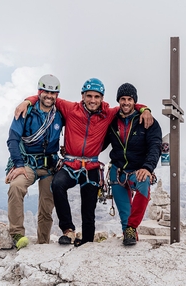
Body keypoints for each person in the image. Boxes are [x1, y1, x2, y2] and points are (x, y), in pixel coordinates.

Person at [15, 78, 153, 247]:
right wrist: (28, 101)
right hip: (70, 164)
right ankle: (68, 230)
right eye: (89, 96)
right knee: (57, 185)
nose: (93, 100)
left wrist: (145, 109)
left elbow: (127, 105)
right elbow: (49, 97)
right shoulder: (70, 108)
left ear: (102, 98)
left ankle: (87, 240)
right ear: (83, 96)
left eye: (96, 96)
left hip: (91, 166)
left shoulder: (109, 113)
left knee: (89, 209)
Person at [5, 74, 63, 250]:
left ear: (57, 95)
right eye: (46, 92)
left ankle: (43, 242)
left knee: (47, 205)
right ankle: (17, 234)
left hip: (49, 165)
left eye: (53, 93)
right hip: (27, 163)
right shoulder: (26, 111)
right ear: (39, 92)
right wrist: (18, 165)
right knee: (16, 187)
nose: (49, 96)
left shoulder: (60, 114)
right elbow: (13, 139)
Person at [103, 83, 162, 246]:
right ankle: (129, 236)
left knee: (143, 186)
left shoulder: (147, 121)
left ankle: (131, 228)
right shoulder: (112, 121)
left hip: (139, 170)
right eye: (123, 99)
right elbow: (99, 141)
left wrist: (148, 167)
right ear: (118, 100)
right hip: (118, 171)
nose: (126, 102)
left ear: (134, 101)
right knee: (125, 215)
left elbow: (155, 145)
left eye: (130, 99)